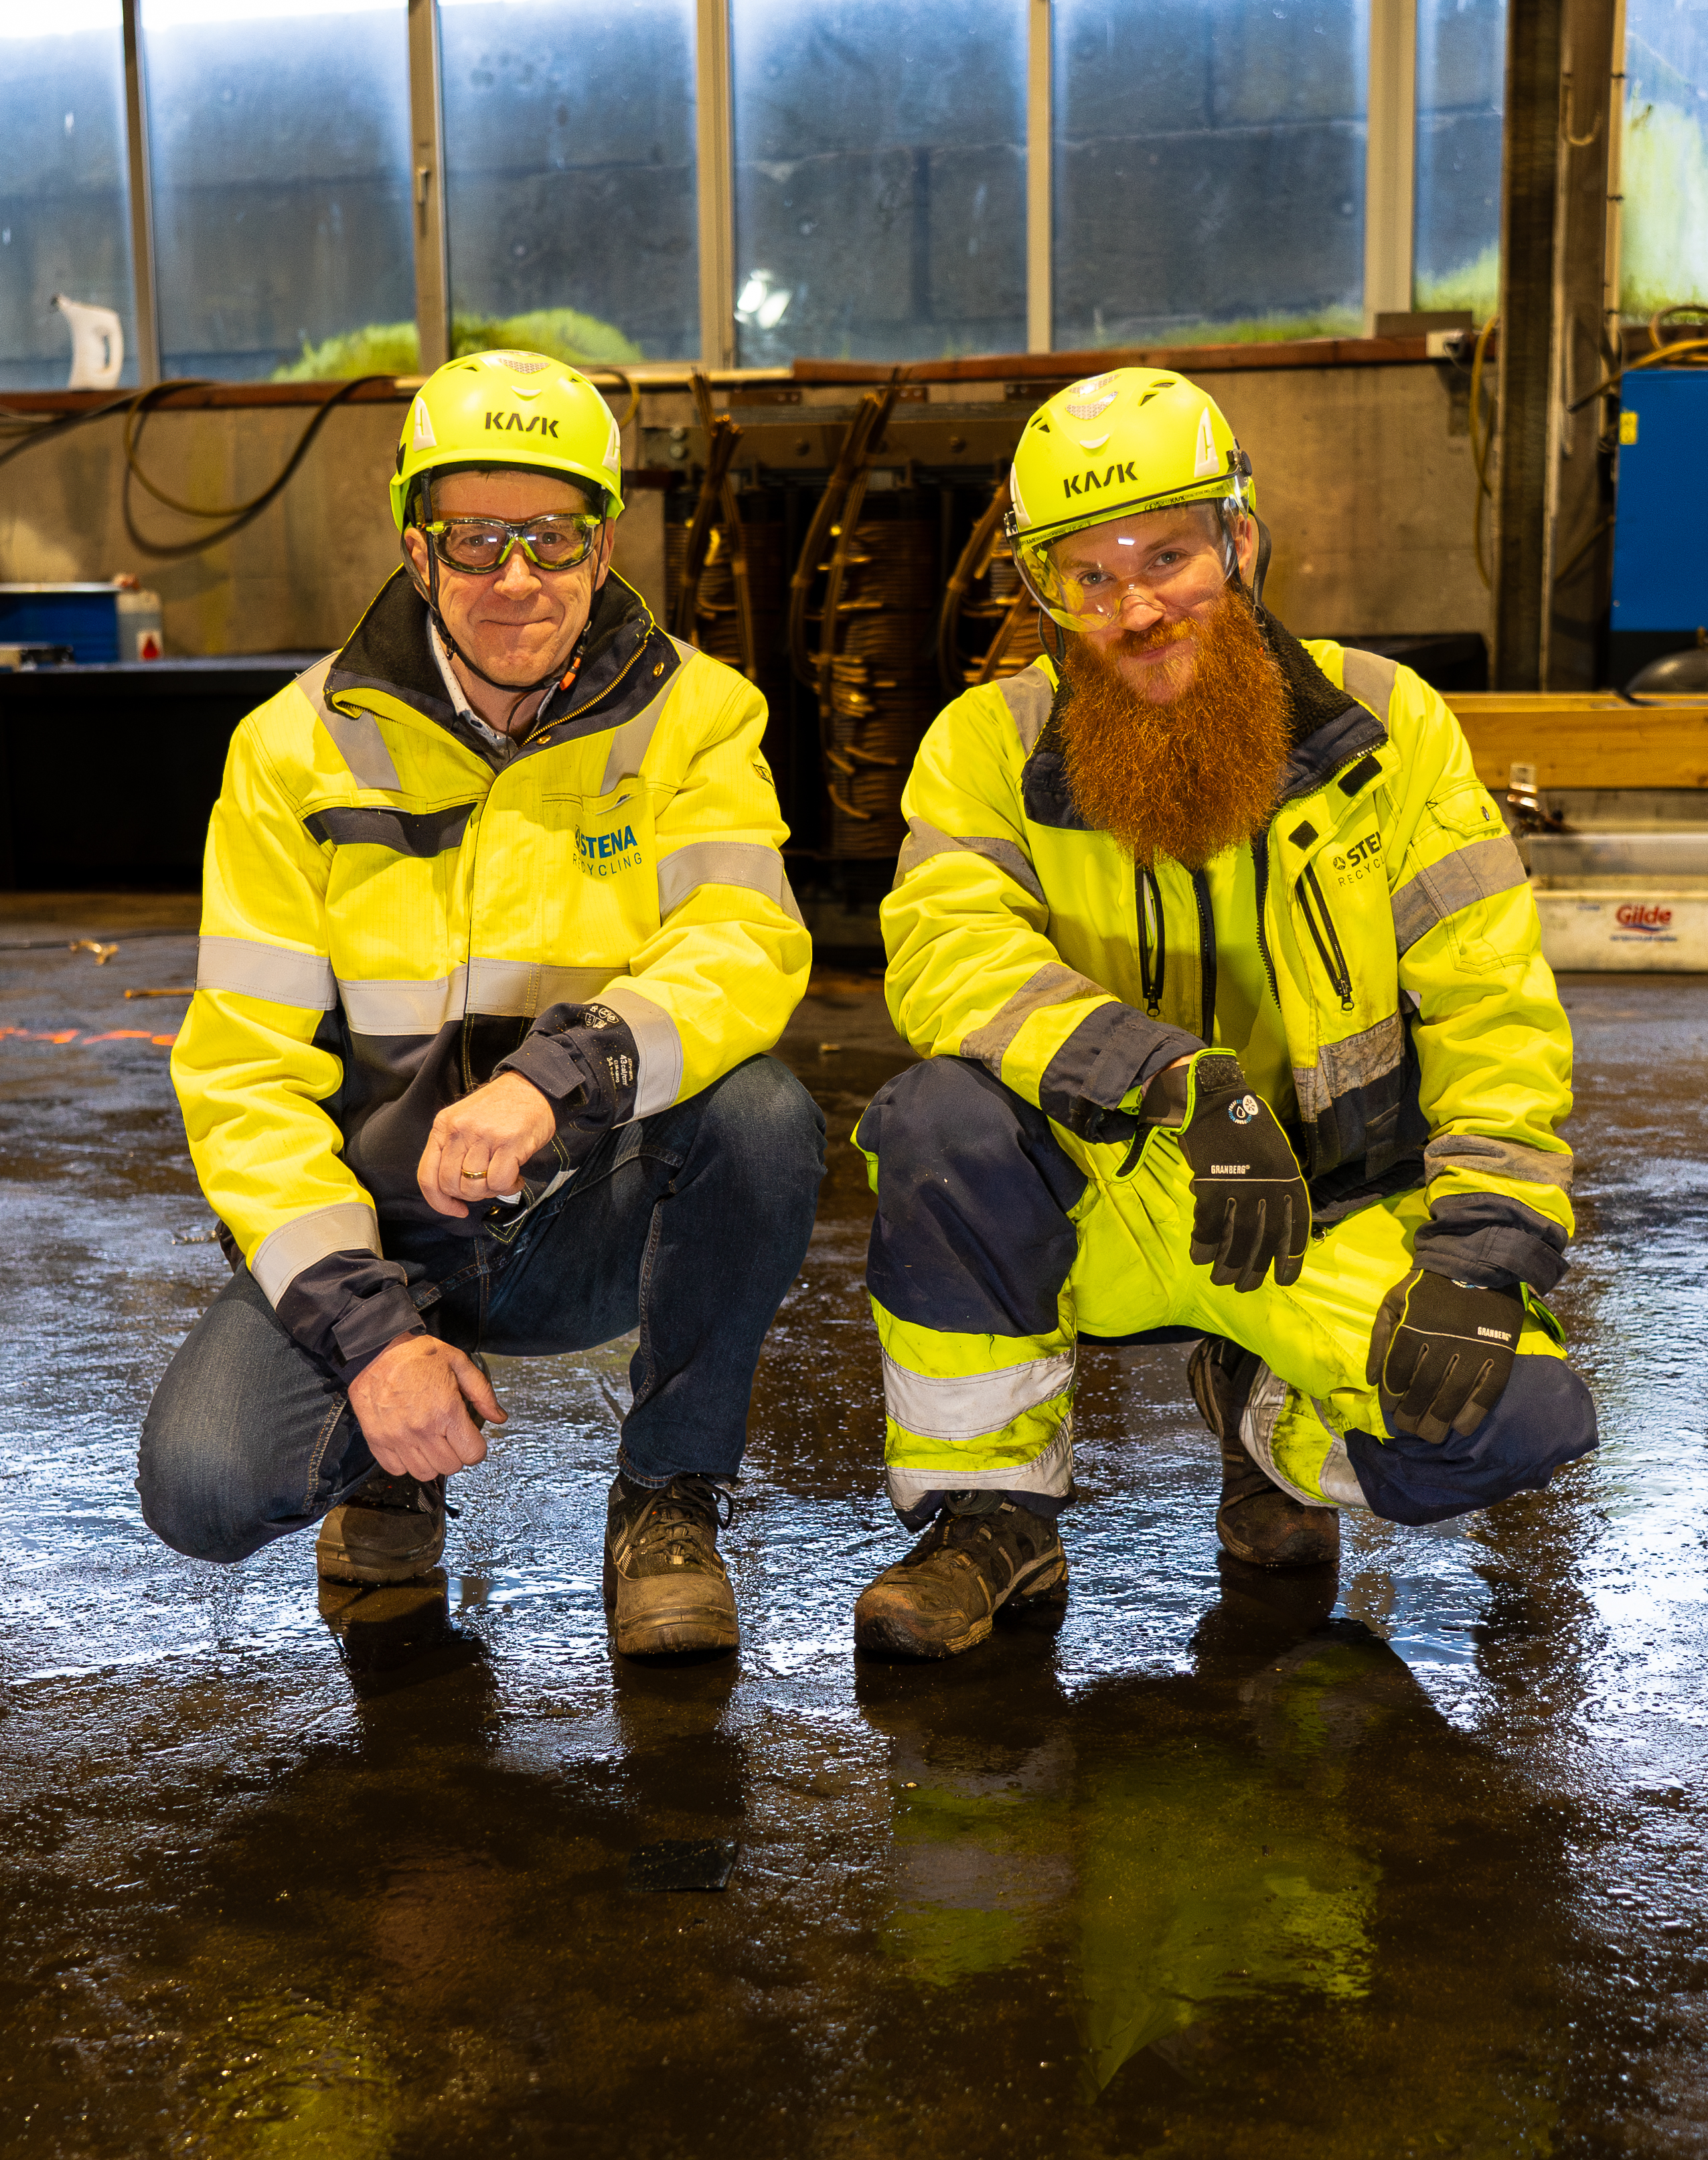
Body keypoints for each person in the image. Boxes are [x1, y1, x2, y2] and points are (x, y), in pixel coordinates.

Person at [850, 366, 1596, 1660]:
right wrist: (1159, 1075)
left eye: (1171, 555)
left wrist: (1484, 1251)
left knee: (1519, 1420)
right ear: (1044, 597)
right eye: (1090, 576)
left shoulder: (1389, 729)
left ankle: (1267, 1423)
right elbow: (943, 950)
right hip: (1113, 1197)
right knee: (936, 1121)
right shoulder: (987, 746)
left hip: (1331, 1212)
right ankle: (990, 1521)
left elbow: (1494, 1004)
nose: (1138, 607)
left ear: (1241, 542)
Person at [139, 351, 824, 1663]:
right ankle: (394, 1459)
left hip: (582, 1215)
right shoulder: (294, 751)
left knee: (761, 1113)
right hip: (382, 1232)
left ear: (602, 543)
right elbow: (243, 1082)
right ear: (416, 548)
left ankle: (667, 1499)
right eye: (475, 540)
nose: (518, 576)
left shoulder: (695, 718)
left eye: (551, 537)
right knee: (206, 1488)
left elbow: (742, 942)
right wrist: (367, 1331)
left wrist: (556, 1078)